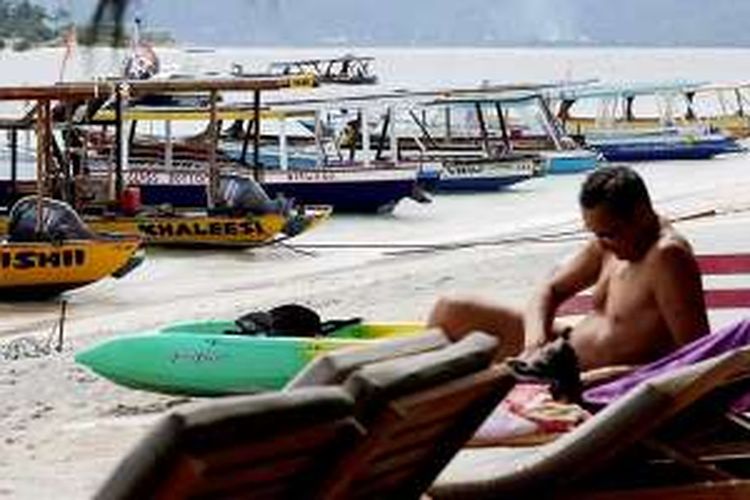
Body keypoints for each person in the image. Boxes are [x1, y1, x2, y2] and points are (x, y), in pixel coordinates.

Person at [427, 165, 710, 372]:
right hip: (555, 357)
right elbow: (549, 290)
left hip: (597, 382)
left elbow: (698, 356)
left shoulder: (667, 257)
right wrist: (534, 344)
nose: (603, 243)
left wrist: (620, 380)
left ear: (641, 213)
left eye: (609, 233)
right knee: (451, 309)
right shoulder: (610, 244)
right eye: (595, 233)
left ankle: (436, 426)